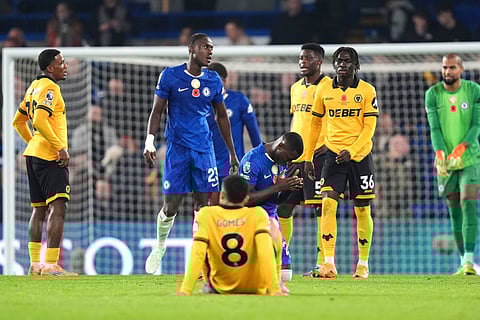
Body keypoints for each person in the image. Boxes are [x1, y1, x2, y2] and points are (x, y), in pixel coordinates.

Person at [143, 33, 239, 274]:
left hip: (204, 150)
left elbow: (221, 116)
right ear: (191, 49)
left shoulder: (214, 80)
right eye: (206, 47)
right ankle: (161, 245)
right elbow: (157, 111)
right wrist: (149, 141)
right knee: (171, 206)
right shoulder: (170, 75)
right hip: (177, 149)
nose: (210, 51)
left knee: (203, 206)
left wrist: (232, 152)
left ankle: (201, 261)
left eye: (212, 48)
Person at [304, 47, 378, 279]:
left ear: (356, 64)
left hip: (360, 156)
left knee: (362, 209)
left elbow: (369, 128)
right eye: (338, 61)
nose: (342, 65)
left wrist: (353, 150)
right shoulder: (324, 90)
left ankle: (363, 264)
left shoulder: (367, 91)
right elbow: (315, 125)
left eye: (347, 61)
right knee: (327, 204)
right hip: (333, 156)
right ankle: (328, 264)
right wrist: (308, 157)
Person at [11, 49, 78, 276]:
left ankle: (35, 264)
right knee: (58, 208)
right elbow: (39, 118)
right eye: (61, 62)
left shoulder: (33, 87)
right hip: (49, 156)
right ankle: (50, 265)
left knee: (38, 210)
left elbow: (18, 122)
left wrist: (34, 142)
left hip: (33, 154)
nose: (65, 65)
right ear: (50, 68)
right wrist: (58, 147)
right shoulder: (50, 88)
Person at [275, 43, 331, 278]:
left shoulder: (329, 87)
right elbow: (297, 122)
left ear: (318, 61)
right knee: (283, 208)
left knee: (320, 210)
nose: (302, 62)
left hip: (318, 156)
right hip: (295, 160)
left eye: (307, 58)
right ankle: (281, 260)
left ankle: (323, 263)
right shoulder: (295, 88)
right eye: (300, 58)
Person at [178, 175, 285, 296]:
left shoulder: (207, 214)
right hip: (256, 287)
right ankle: (278, 282)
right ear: (246, 198)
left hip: (219, 287)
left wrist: (185, 290)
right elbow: (264, 252)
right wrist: (275, 290)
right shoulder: (258, 214)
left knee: (201, 239)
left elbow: (198, 254)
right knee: (273, 225)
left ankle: (208, 285)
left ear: (222, 195)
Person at [425, 53, 480, 276]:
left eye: (452, 68)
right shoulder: (433, 94)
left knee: (468, 203)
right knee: (454, 211)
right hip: (445, 162)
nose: (448, 72)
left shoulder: (474, 90)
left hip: (470, 158)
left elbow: (476, 125)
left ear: (461, 69)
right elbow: (434, 128)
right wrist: (440, 154)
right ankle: (463, 261)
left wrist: (461, 149)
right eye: (444, 68)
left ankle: (469, 259)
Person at [239, 132, 304, 292]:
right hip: (251, 220)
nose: (289, 163)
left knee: (285, 275)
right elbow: (243, 200)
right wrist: (278, 187)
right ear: (280, 146)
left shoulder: (281, 161)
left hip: (271, 219)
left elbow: (276, 200)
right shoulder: (252, 161)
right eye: (288, 158)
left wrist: (290, 189)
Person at [206, 62, 262, 204]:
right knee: (205, 206)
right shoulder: (200, 103)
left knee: (231, 204)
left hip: (231, 163)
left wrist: (261, 158)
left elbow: (254, 133)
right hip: (206, 162)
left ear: (224, 80)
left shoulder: (239, 100)